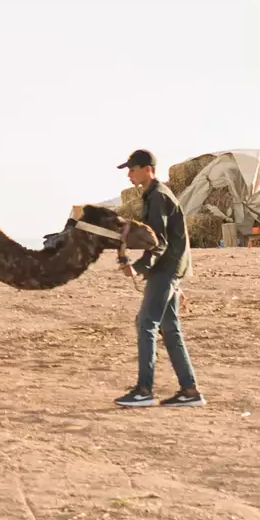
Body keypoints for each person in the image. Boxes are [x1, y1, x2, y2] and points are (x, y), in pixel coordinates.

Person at [112, 148, 200, 408]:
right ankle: (190, 390)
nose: (129, 175)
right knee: (170, 329)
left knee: (146, 324)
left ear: (147, 169)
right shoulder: (153, 195)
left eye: (132, 169)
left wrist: (139, 268)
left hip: (166, 269)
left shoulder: (159, 197)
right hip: (170, 269)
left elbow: (159, 243)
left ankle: (144, 390)